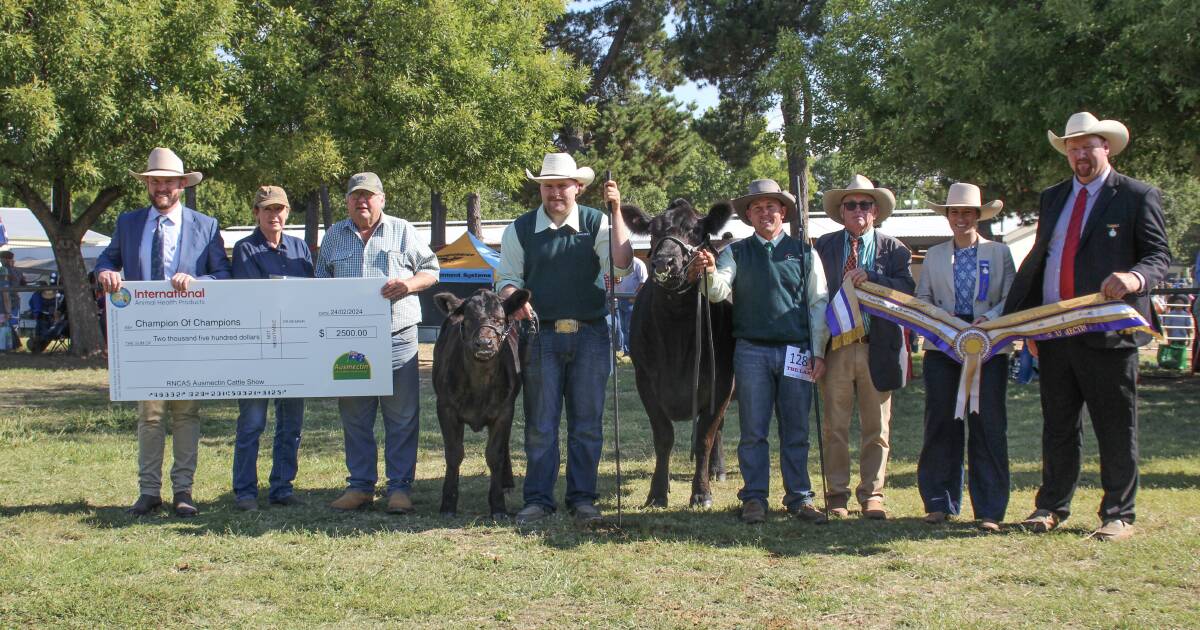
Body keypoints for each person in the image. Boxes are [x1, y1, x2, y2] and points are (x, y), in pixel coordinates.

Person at [1004, 112, 1170, 542]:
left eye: (1087, 146)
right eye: (1072, 148)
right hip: (1056, 333)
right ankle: (1050, 506)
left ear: (1106, 148)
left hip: (1110, 335)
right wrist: (1027, 324)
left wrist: (1135, 278)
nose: (1079, 154)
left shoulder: (1136, 195)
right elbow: (1042, 259)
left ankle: (1118, 513)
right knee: (1058, 424)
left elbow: (1158, 258)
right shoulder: (1053, 197)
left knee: (1115, 425)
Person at [94, 147, 231, 517]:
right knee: (150, 416)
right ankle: (148, 491)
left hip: (189, 335)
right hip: (143, 335)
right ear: (148, 185)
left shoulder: (206, 226)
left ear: (182, 185)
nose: (161, 188)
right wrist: (106, 271)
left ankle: (183, 491)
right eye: (155, 182)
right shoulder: (129, 222)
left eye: (168, 181)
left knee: (186, 415)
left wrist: (198, 280)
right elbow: (108, 258)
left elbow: (222, 275)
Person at [496, 152, 632, 525]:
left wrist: (616, 210)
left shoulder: (598, 222)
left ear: (579, 187)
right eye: (548, 186)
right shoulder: (519, 229)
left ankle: (583, 498)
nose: (555, 192)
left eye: (562, 185)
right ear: (541, 189)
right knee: (541, 423)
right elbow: (506, 279)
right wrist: (514, 300)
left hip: (591, 334)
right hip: (539, 334)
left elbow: (621, 265)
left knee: (586, 423)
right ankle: (538, 499)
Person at [691, 179, 830, 524]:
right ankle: (754, 497)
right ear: (749, 216)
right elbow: (718, 289)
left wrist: (819, 350)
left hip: (797, 351)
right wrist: (708, 273)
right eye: (757, 208)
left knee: (796, 428)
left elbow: (818, 303)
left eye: (771, 206)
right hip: (751, 351)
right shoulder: (735, 253)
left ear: (783, 212)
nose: (765, 213)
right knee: (753, 430)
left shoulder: (804, 252)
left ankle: (800, 497)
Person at [316, 172, 439, 514]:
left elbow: (432, 269)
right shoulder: (334, 236)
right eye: (356, 196)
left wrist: (408, 285)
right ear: (347, 202)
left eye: (369, 195)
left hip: (398, 338)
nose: (362, 201)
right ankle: (360, 487)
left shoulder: (402, 230)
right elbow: (320, 283)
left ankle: (399, 488)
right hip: (349, 342)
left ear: (382, 199)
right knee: (355, 416)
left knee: (401, 415)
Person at [914, 183, 1016, 532]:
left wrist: (989, 321)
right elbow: (923, 297)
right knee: (941, 422)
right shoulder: (935, 255)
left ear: (979, 216)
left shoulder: (999, 253)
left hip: (989, 345)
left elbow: (1011, 296)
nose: (961, 218)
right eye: (955, 212)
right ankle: (939, 502)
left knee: (988, 425)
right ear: (947, 216)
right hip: (943, 346)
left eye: (967, 212)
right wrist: (945, 325)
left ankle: (989, 509)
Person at [815, 174, 915, 520]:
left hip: (879, 346)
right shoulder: (823, 246)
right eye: (851, 204)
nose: (858, 210)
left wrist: (873, 278)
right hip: (837, 347)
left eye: (865, 204)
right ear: (841, 211)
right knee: (834, 426)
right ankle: (836, 494)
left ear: (876, 211)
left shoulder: (895, 249)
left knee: (878, 428)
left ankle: (873, 494)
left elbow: (907, 291)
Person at [229, 186, 314, 511]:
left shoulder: (299, 248)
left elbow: (308, 294)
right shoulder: (244, 249)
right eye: (267, 209)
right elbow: (256, 296)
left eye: (279, 209)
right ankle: (245, 492)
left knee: (291, 424)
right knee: (252, 423)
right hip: (256, 349)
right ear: (256, 213)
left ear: (287, 212)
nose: (273, 215)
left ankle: (282, 487)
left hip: (293, 347)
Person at [613, 256, 647, 354]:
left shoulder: (638, 263)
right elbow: (613, 278)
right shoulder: (617, 262)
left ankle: (633, 351)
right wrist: (615, 280)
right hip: (619, 299)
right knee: (621, 328)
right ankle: (626, 350)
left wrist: (634, 298)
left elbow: (643, 282)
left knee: (630, 328)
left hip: (632, 301)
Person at [0, 250, 25, 350]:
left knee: (8, 324)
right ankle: (14, 345)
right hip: (14, 300)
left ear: (5, 259)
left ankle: (12, 344)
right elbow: (24, 283)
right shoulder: (18, 271)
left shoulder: (4, 270)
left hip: (7, 301)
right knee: (12, 323)